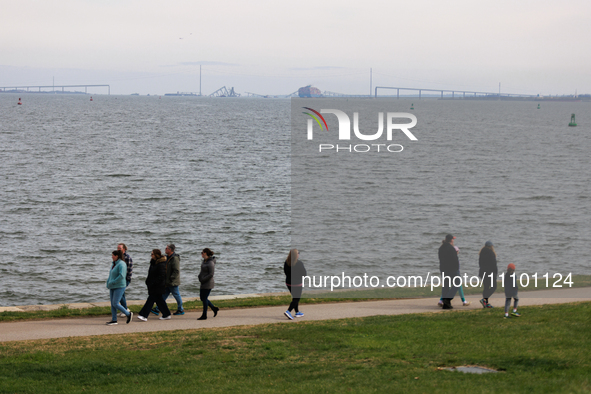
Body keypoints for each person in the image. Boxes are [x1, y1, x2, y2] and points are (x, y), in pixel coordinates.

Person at [137, 249, 172, 321]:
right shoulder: (153, 263)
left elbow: (161, 276)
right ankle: (166, 314)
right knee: (160, 301)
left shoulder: (161, 264)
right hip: (153, 285)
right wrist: (148, 281)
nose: (151, 255)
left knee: (150, 300)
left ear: (156, 255)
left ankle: (144, 315)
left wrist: (153, 283)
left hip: (158, 286)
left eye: (152, 254)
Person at [152, 244, 184, 316]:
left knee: (176, 295)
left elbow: (176, 271)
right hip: (167, 281)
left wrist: (170, 279)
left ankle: (180, 309)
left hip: (172, 282)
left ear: (170, 250)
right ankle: (158, 308)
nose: (165, 249)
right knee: (163, 295)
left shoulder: (174, 258)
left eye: (166, 248)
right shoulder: (167, 257)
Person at [106, 250, 133, 325]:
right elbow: (111, 274)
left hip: (119, 286)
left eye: (113, 255)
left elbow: (121, 276)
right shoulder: (113, 264)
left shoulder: (122, 264)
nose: (112, 257)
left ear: (117, 256)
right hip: (112, 286)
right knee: (112, 304)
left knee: (115, 303)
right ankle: (114, 320)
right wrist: (108, 282)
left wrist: (113, 282)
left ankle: (128, 314)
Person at [438, 234, 460, 309]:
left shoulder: (441, 248)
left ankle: (446, 304)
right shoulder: (451, 248)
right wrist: (456, 268)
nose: (453, 240)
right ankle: (448, 299)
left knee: (446, 286)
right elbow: (455, 260)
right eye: (453, 239)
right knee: (457, 283)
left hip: (443, 269)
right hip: (452, 269)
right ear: (451, 240)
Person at [284, 249, 307, 319]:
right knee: (297, 298)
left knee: (294, 297)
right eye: (298, 253)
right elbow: (304, 273)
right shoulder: (299, 263)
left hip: (289, 283)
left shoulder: (286, 262)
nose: (298, 254)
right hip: (297, 283)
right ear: (295, 255)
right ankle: (288, 311)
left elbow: (285, 272)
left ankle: (297, 312)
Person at [197, 248, 219, 320]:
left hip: (208, 283)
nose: (201, 254)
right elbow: (202, 271)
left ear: (206, 253)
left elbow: (211, 274)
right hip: (203, 282)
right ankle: (214, 308)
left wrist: (203, 279)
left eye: (202, 253)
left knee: (204, 298)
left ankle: (204, 315)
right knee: (202, 298)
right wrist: (199, 276)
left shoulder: (210, 263)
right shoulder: (204, 261)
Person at [479, 240, 498, 308]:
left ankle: (486, 303)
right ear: (491, 246)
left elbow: (480, 264)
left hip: (482, 273)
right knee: (494, 287)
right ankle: (484, 300)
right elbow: (494, 265)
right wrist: (496, 273)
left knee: (486, 287)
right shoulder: (491, 253)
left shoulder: (481, 252)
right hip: (490, 273)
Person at [117, 243, 133, 317]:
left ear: (124, 249)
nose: (118, 250)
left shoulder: (127, 257)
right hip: (119, 279)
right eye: (117, 248)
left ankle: (125, 310)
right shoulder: (118, 257)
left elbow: (129, 270)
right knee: (121, 294)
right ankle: (124, 309)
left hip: (125, 279)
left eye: (119, 248)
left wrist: (126, 279)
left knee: (119, 294)